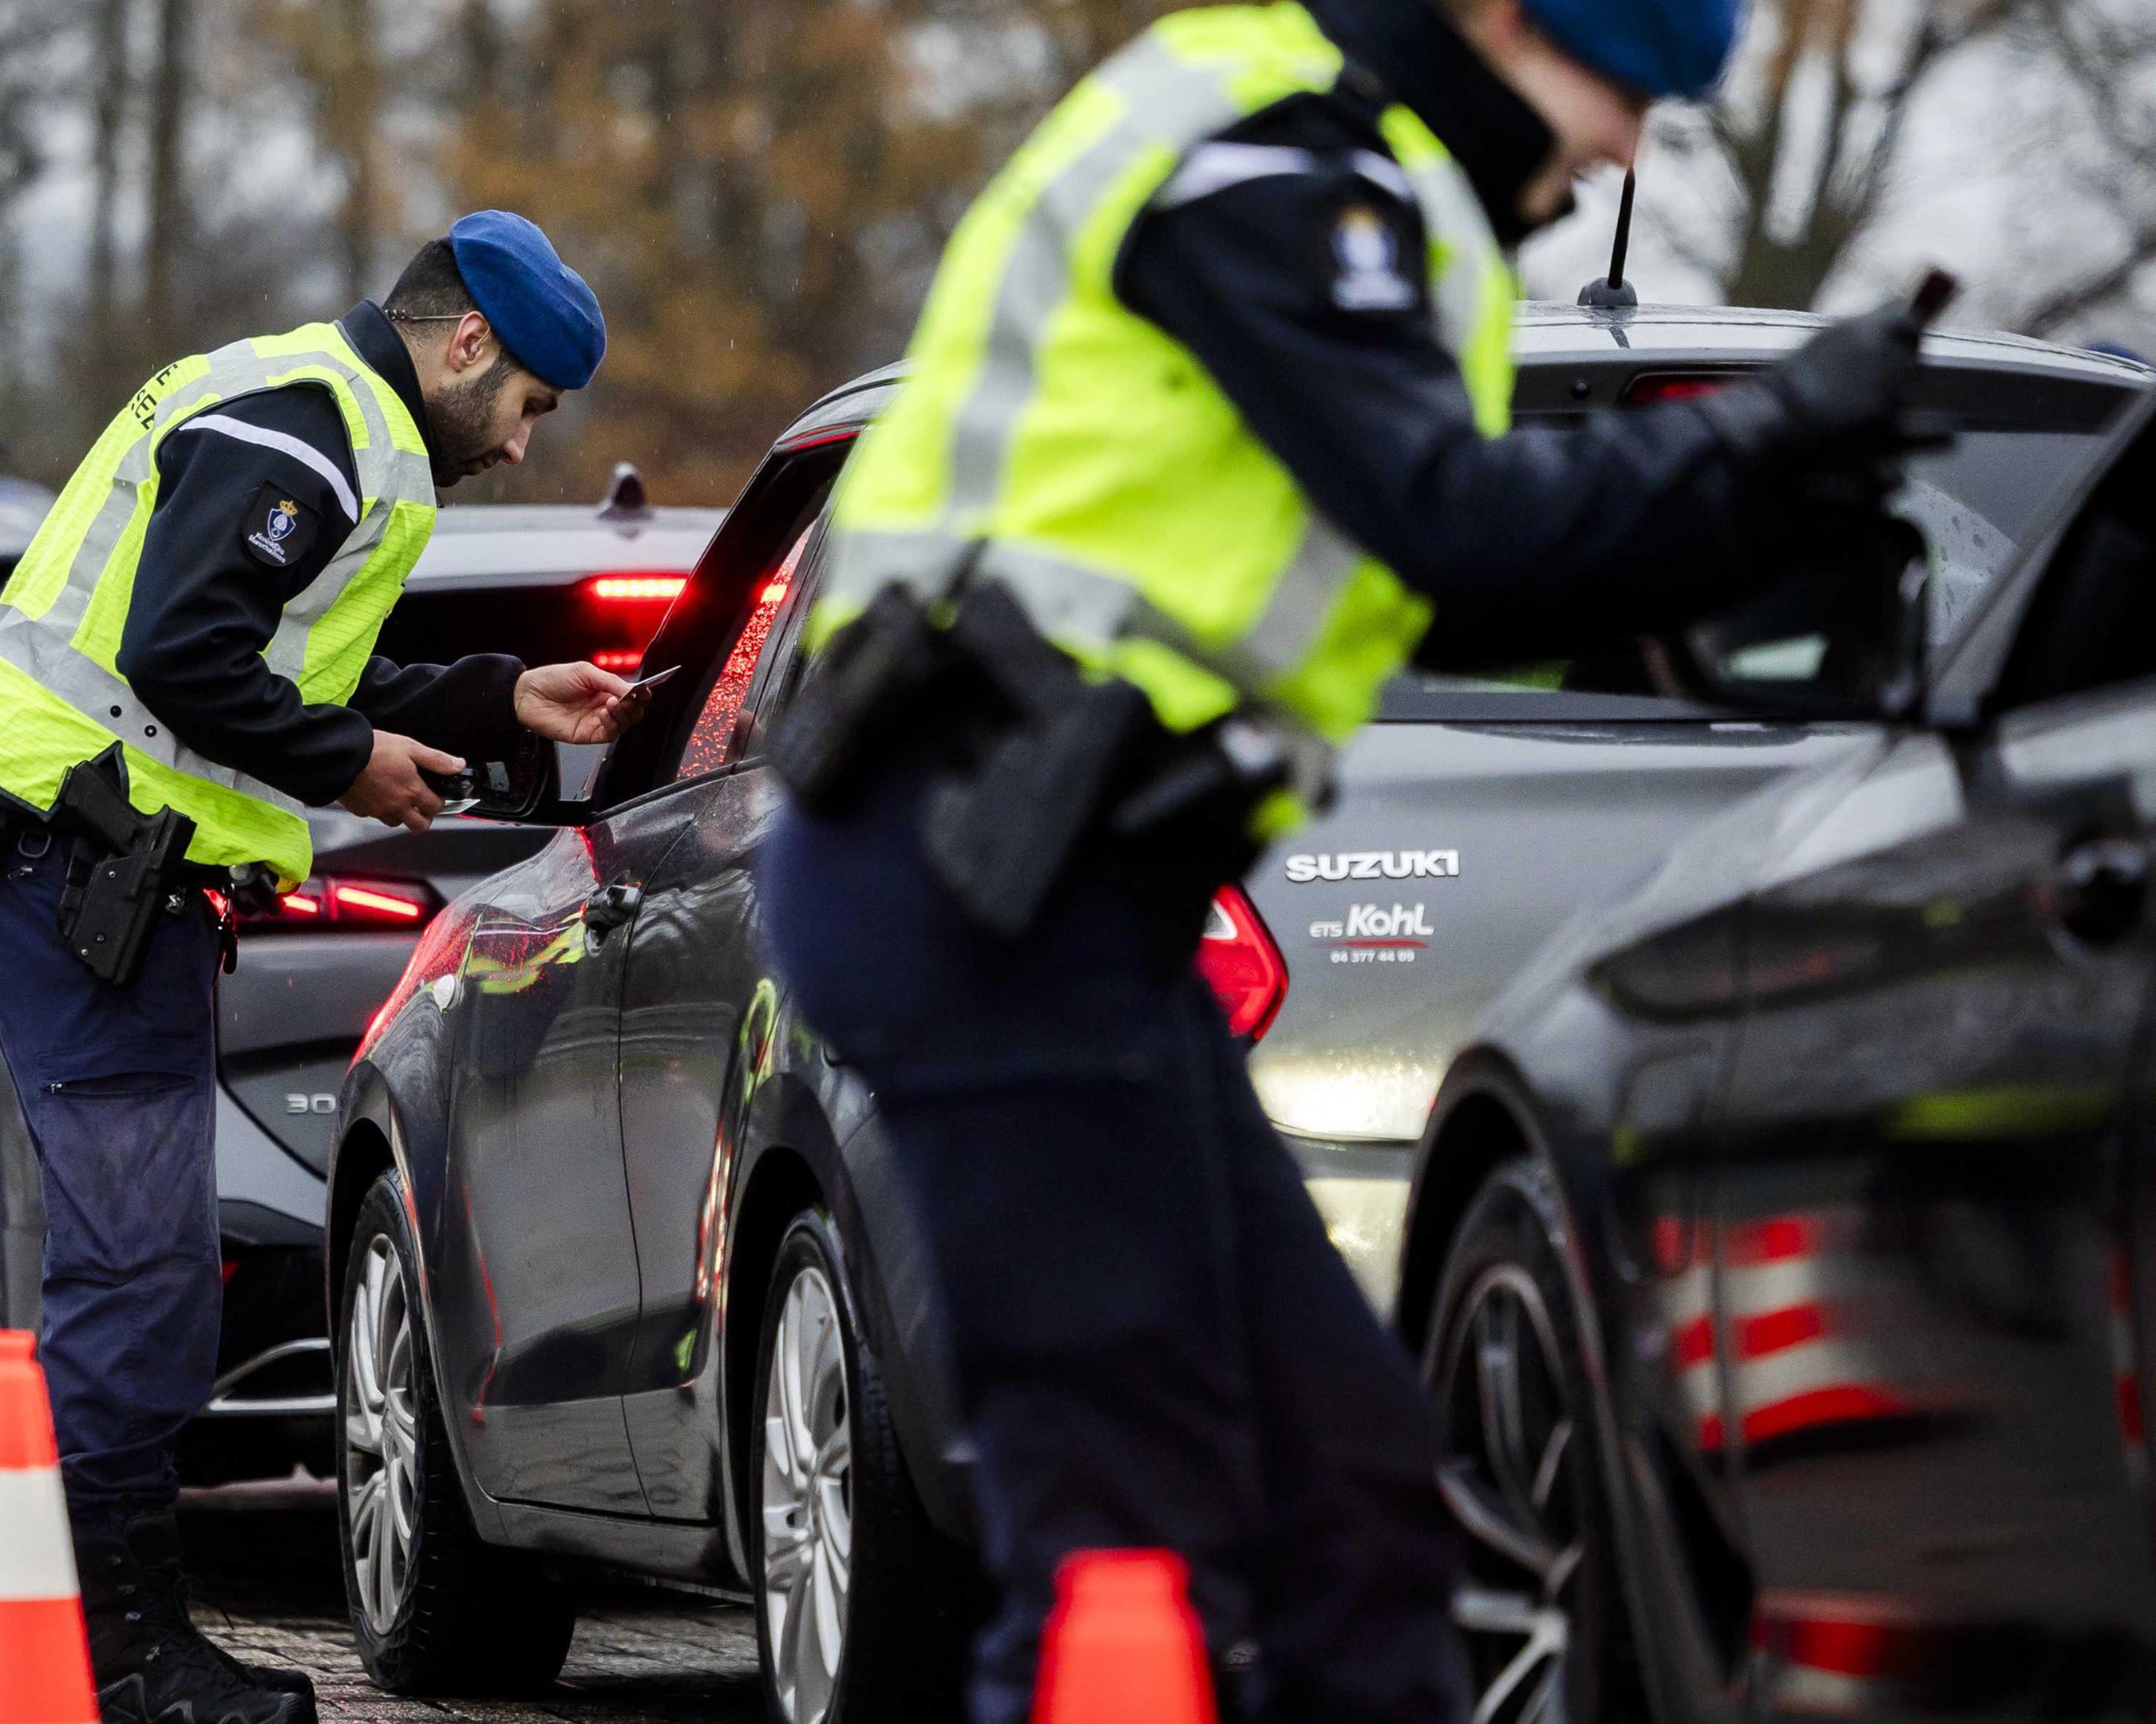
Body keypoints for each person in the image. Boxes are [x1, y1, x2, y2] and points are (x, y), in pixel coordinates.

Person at [757, 0, 1933, 1719]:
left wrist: (1743, 518)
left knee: (1354, 1500)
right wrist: (1758, 442)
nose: (1626, 146)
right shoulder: (1278, 161)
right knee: (1123, 1554)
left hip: (1066, 893)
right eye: (1625, 89)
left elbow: (1456, 567)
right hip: (977, 872)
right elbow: (1446, 513)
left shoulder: (1363, 190)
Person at [0, 212, 649, 1724]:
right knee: (136, 1274)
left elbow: (295, 663)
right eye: (526, 407)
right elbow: (184, 651)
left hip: (97, 866)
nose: (523, 449)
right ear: (468, 345)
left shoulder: (321, 415)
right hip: (87, 864)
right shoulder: (312, 432)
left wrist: (500, 698)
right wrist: (346, 760)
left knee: (138, 1270)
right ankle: (118, 1661)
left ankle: (72, 1642)